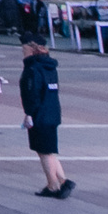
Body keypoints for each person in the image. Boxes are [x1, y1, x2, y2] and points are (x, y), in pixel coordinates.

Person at [21, 37, 71, 198]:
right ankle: (62, 180)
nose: (22, 52)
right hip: (52, 111)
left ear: (32, 50)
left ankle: (52, 185)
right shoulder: (49, 66)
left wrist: (29, 113)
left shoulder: (32, 69)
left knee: (43, 151)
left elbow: (32, 93)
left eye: (24, 49)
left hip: (39, 114)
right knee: (49, 150)